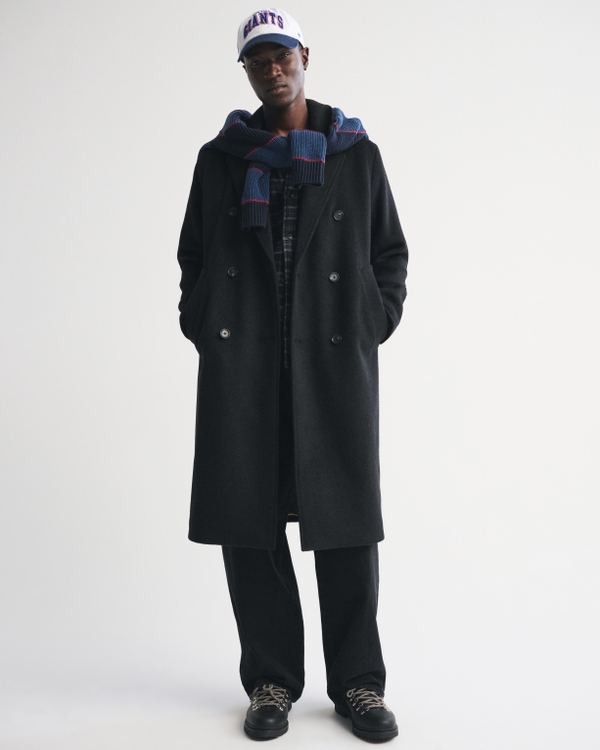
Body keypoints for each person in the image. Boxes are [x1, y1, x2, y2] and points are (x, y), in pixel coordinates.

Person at [177, 8, 408, 743]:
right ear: (246, 70)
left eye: (282, 55)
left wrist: (372, 319)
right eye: (258, 60)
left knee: (345, 528)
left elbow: (389, 254)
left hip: (331, 363)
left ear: (306, 55)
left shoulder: (355, 155)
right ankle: (271, 680)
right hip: (245, 365)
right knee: (249, 527)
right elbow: (193, 256)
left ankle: (358, 684)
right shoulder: (221, 159)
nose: (272, 69)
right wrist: (203, 322)